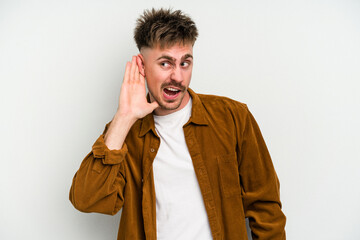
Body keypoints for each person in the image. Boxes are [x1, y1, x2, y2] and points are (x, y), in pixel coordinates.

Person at [69, 8, 286, 240]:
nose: (178, 77)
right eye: (165, 64)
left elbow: (266, 208)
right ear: (141, 66)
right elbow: (86, 200)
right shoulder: (124, 133)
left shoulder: (233, 117)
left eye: (185, 63)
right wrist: (124, 117)